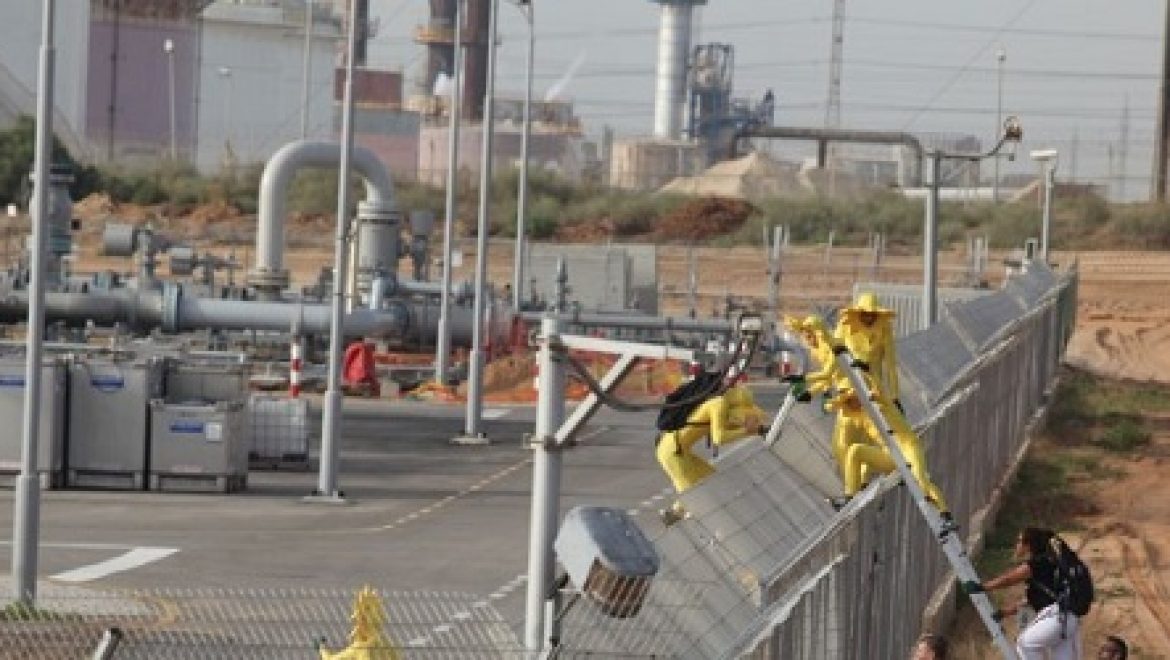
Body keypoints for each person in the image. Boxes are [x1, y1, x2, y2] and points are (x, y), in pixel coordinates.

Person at [833, 292, 952, 519]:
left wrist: (893, 396)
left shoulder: (882, 404)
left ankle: (944, 516)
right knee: (846, 446)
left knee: (922, 483)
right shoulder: (845, 329)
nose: (868, 319)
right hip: (851, 388)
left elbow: (889, 367)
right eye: (864, 315)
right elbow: (833, 358)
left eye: (871, 315)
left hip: (881, 404)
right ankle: (853, 491)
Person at [655, 375, 766, 525]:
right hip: (672, 451)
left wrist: (751, 428)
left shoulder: (716, 403)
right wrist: (748, 431)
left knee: (713, 480)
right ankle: (703, 525)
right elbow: (718, 438)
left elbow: (721, 426)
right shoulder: (718, 404)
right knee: (693, 493)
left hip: (680, 450)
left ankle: (673, 515)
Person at [964, 527, 1082, 660]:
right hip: (1069, 619)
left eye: (1020, 541)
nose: (1017, 544)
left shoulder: (1037, 563)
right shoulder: (1050, 563)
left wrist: (981, 587)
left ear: (1028, 545)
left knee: (1025, 644)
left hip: (1058, 619)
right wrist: (1005, 612)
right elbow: (1034, 601)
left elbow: (1008, 579)